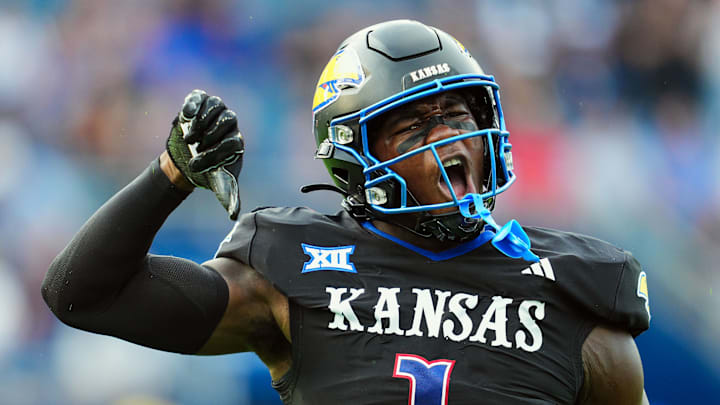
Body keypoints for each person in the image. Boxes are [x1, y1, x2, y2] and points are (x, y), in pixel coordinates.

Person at [43, 20, 651, 404]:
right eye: (415, 128)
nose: (452, 142)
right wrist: (168, 176)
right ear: (355, 157)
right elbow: (83, 293)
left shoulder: (576, 294)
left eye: (461, 118)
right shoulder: (287, 270)